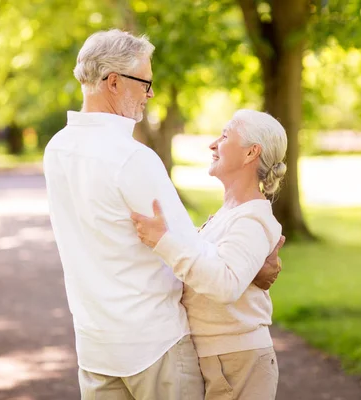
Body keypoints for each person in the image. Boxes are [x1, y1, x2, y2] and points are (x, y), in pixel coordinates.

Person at [43, 29, 282, 400]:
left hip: (94, 347)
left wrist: (247, 266)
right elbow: (190, 253)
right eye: (145, 82)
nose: (150, 93)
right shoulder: (132, 158)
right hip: (154, 345)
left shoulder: (57, 149)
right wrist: (251, 273)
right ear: (114, 82)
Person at [131, 109, 287, 400]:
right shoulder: (229, 215)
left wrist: (163, 241)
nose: (213, 144)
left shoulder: (252, 219)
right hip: (219, 357)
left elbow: (224, 285)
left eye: (225, 136)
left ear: (251, 152)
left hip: (236, 360)